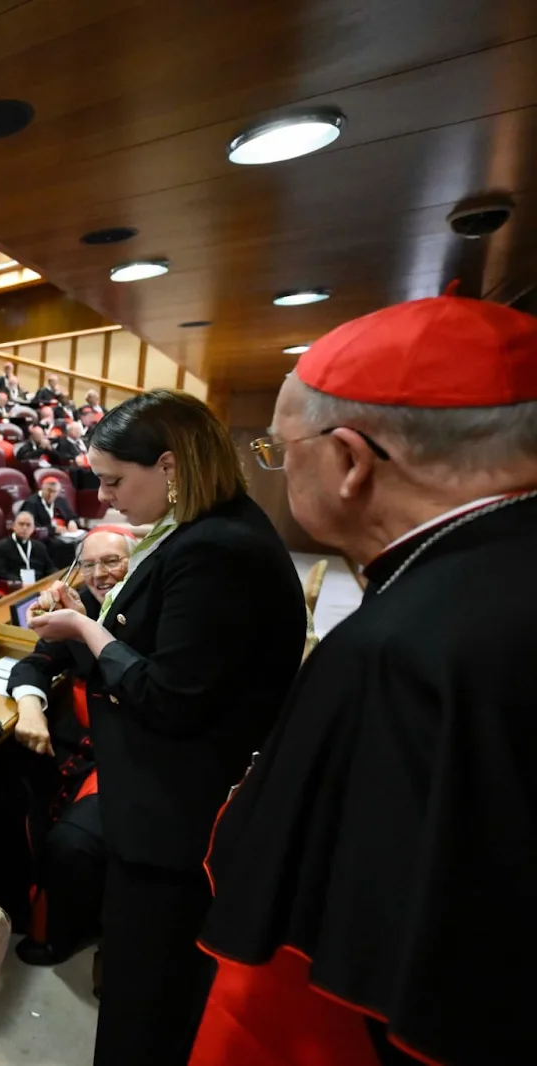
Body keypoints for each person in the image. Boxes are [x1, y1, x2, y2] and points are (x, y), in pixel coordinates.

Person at [191, 296, 537, 1066]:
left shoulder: (395, 655)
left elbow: (315, 987)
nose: (277, 471)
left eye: (280, 451)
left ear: (349, 460)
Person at [20, 389, 304, 1065]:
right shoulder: (203, 529)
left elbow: (170, 694)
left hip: (174, 816)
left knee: (145, 1003)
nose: (108, 497)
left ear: (171, 467)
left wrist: (86, 627)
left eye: (116, 480)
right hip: (157, 799)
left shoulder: (218, 549)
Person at [6, 529, 131, 967]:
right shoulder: (80, 606)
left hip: (126, 755)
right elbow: (35, 663)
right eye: (91, 565)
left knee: (72, 842)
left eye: (112, 561)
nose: (100, 574)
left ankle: (60, 934)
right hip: (74, 745)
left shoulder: (148, 611)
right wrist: (29, 707)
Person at [0, 510, 54, 585]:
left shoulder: (40, 547)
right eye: (21, 524)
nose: (25, 528)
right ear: (14, 526)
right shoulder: (2, 547)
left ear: (33, 528)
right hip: (17, 588)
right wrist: (20, 583)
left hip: (39, 586)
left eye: (28, 525)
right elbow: (0, 573)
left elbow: (50, 568)